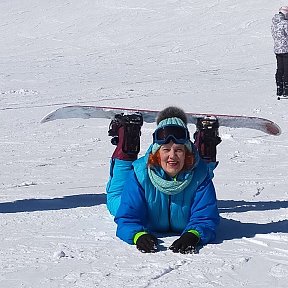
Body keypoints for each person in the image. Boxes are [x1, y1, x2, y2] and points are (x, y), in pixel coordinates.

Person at [106, 106, 221, 254]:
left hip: (192, 177)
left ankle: (206, 140)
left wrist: (194, 234)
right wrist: (138, 235)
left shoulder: (200, 177)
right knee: (116, 202)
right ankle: (128, 135)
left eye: (179, 150)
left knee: (199, 168)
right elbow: (128, 217)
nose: (172, 156)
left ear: (187, 153)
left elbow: (206, 217)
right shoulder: (140, 174)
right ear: (157, 153)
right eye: (166, 149)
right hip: (148, 211)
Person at [271, 6, 288, 97]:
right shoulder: (285, 23)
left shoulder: (274, 23)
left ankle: (279, 88)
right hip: (286, 50)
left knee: (280, 69)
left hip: (277, 50)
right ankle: (286, 90)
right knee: (286, 69)